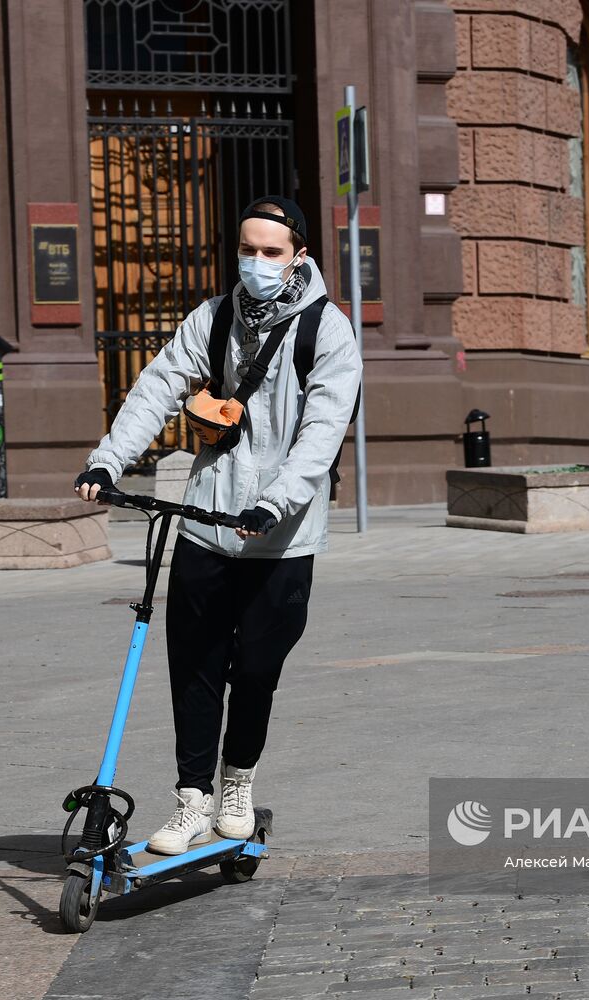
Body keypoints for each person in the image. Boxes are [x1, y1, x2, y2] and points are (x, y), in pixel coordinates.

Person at [74, 196, 361, 853]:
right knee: (195, 668)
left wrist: (276, 502)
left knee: (256, 669)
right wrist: (108, 462)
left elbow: (321, 433)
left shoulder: (328, 331)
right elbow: (156, 387)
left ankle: (238, 785)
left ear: (299, 257)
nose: (255, 263)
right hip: (206, 523)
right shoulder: (213, 317)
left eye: (270, 252)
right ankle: (191, 801)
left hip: (280, 538)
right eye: (247, 250)